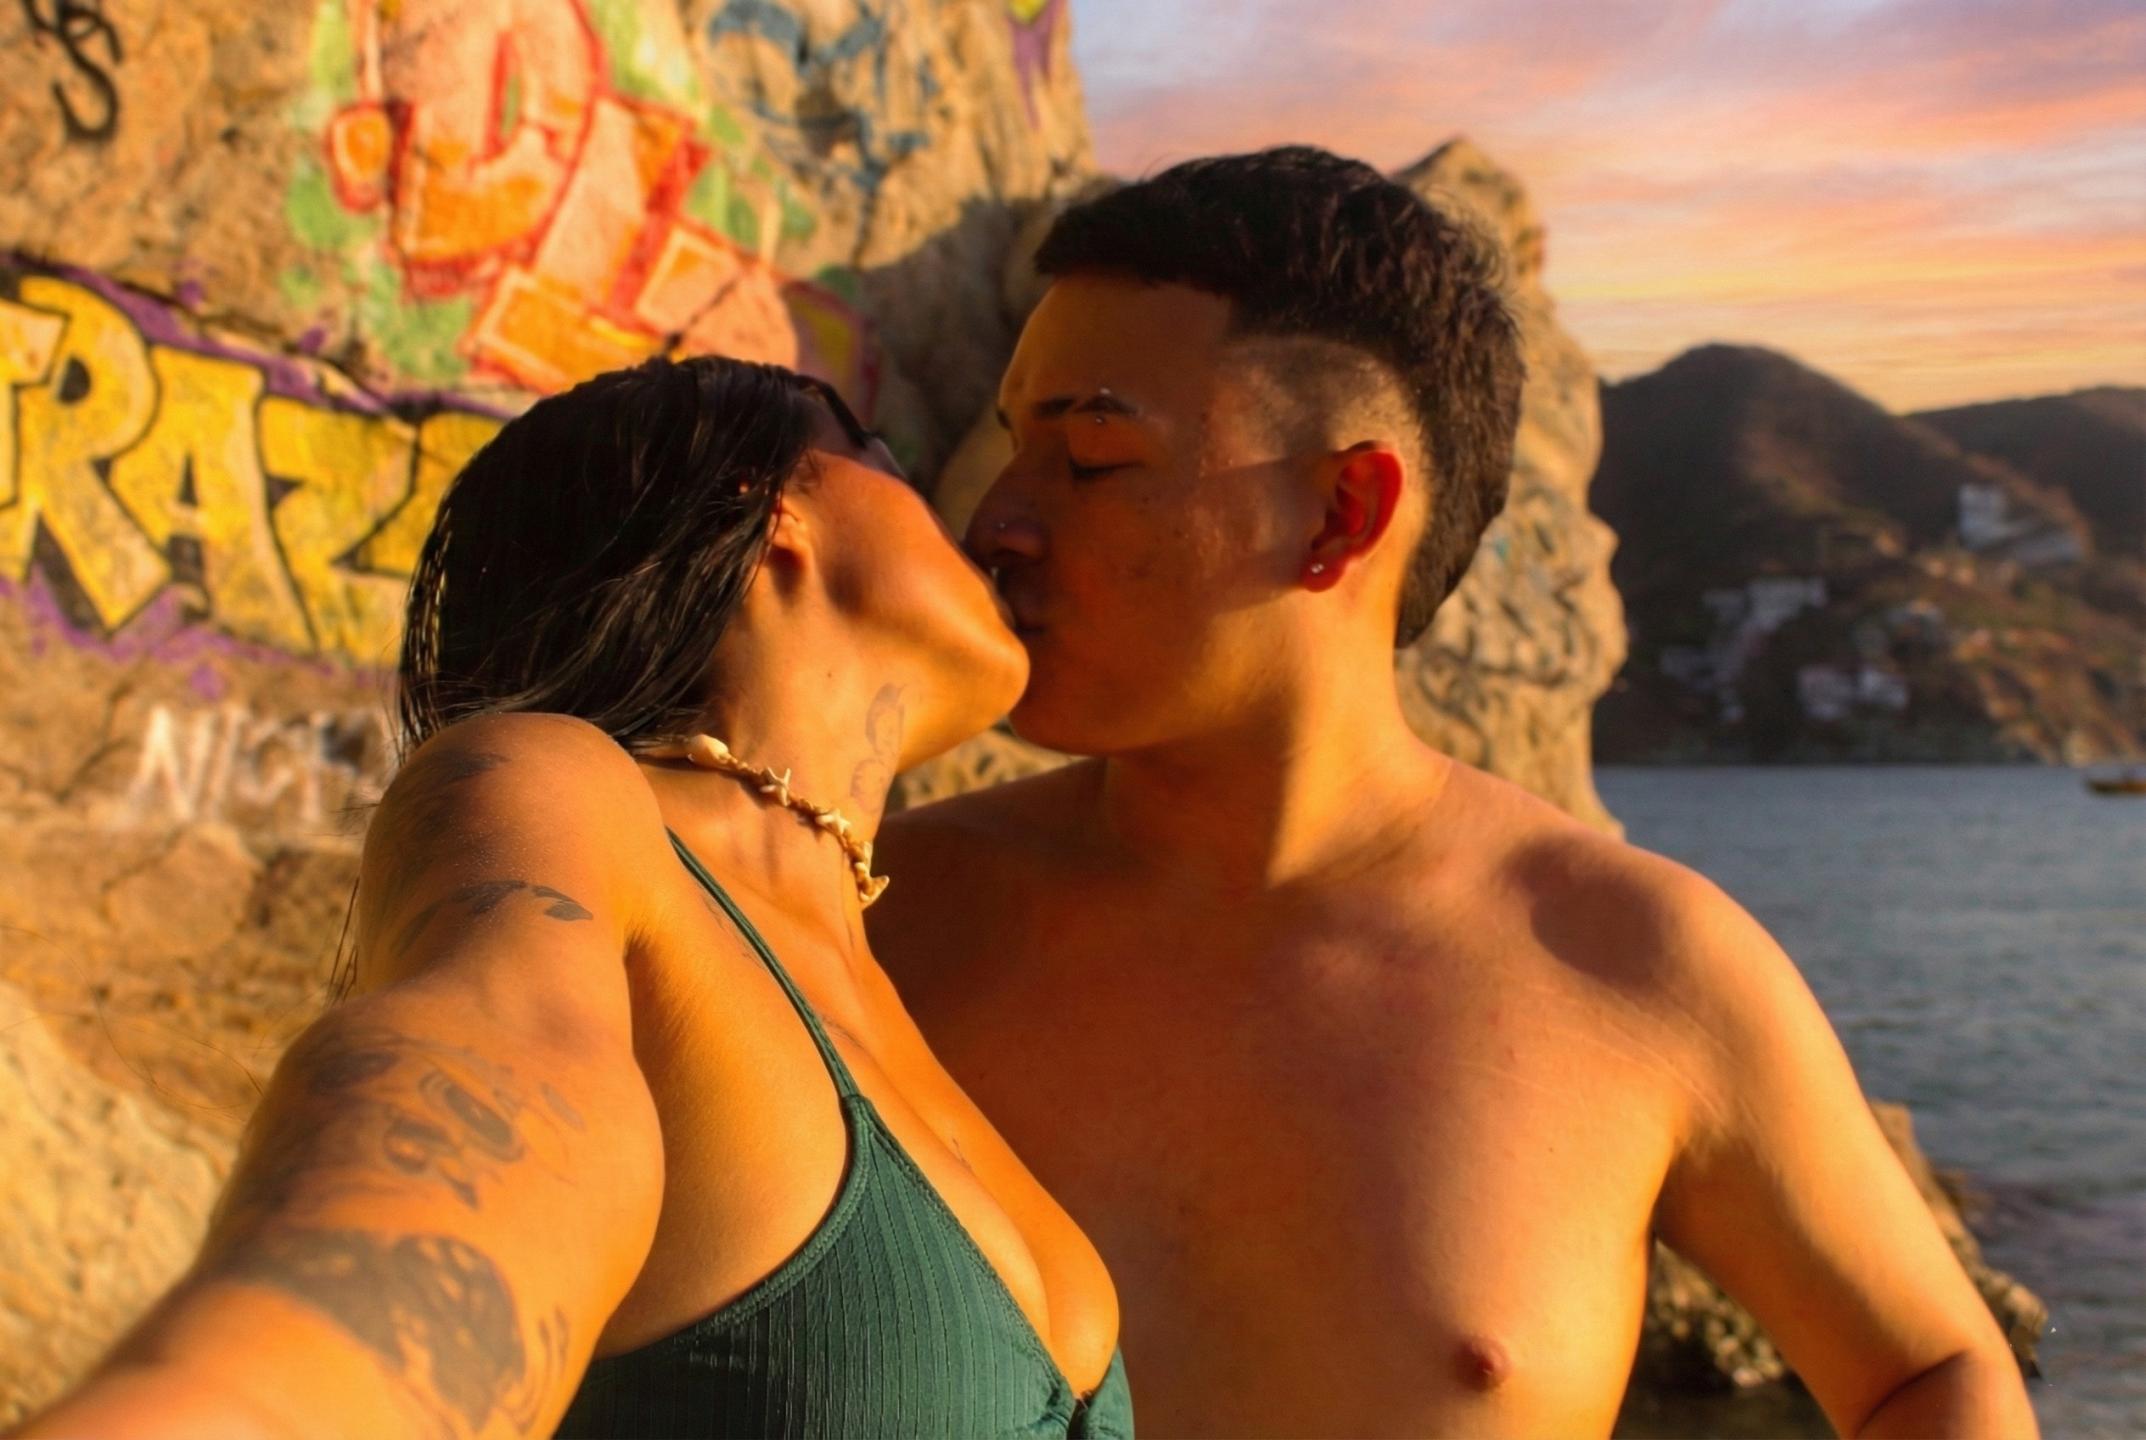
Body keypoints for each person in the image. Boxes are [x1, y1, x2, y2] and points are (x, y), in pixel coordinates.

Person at [866, 148, 2038, 1439]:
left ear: (1341, 512)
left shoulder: (1635, 970)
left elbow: (1936, 1371)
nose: (996, 521)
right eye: (1011, 448)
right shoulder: (877, 917)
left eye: (1089, 455)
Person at [21, 358, 1132, 1440]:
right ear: (775, 509)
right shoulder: (570, 799)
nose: (983, 526)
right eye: (883, 457)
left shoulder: (913, 989)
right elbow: (485, 1074)